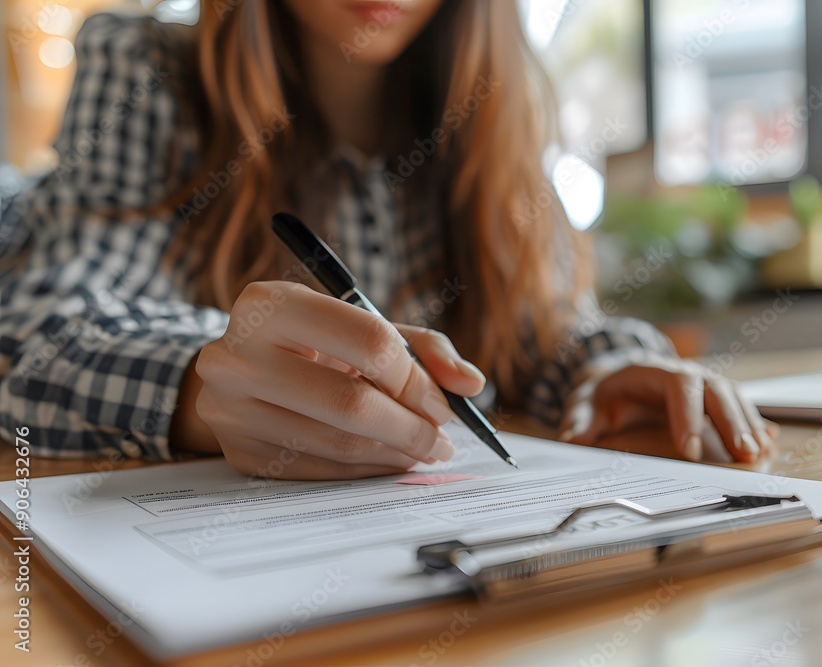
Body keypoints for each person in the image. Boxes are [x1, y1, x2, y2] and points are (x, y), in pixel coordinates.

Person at [0, 0, 775, 480]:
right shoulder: (146, 69)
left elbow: (539, 331)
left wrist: (605, 366)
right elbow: (37, 337)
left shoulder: (491, 109)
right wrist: (204, 384)